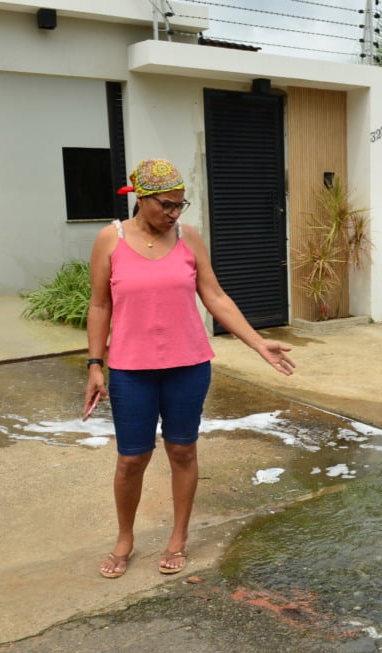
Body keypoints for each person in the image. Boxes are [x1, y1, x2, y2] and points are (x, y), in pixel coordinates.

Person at [85, 158, 295, 579]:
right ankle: (125, 538)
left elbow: (215, 297)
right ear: (141, 200)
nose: (174, 213)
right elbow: (99, 304)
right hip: (131, 369)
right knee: (132, 458)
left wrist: (257, 344)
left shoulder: (190, 238)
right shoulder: (110, 239)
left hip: (189, 366)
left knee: (182, 450)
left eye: (181, 205)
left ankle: (178, 537)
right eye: (166, 205)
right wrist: (95, 364)